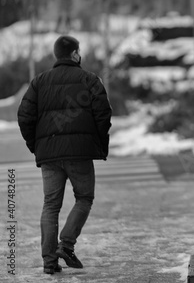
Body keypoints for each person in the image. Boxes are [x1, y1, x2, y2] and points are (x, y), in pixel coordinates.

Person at [17, 35, 112, 275]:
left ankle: (49, 262)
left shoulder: (39, 82)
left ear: (56, 55)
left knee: (50, 205)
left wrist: (36, 146)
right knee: (84, 198)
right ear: (75, 54)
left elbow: (24, 117)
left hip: (49, 155)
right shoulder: (89, 80)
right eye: (79, 52)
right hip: (80, 153)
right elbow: (103, 114)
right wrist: (98, 145)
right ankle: (66, 245)